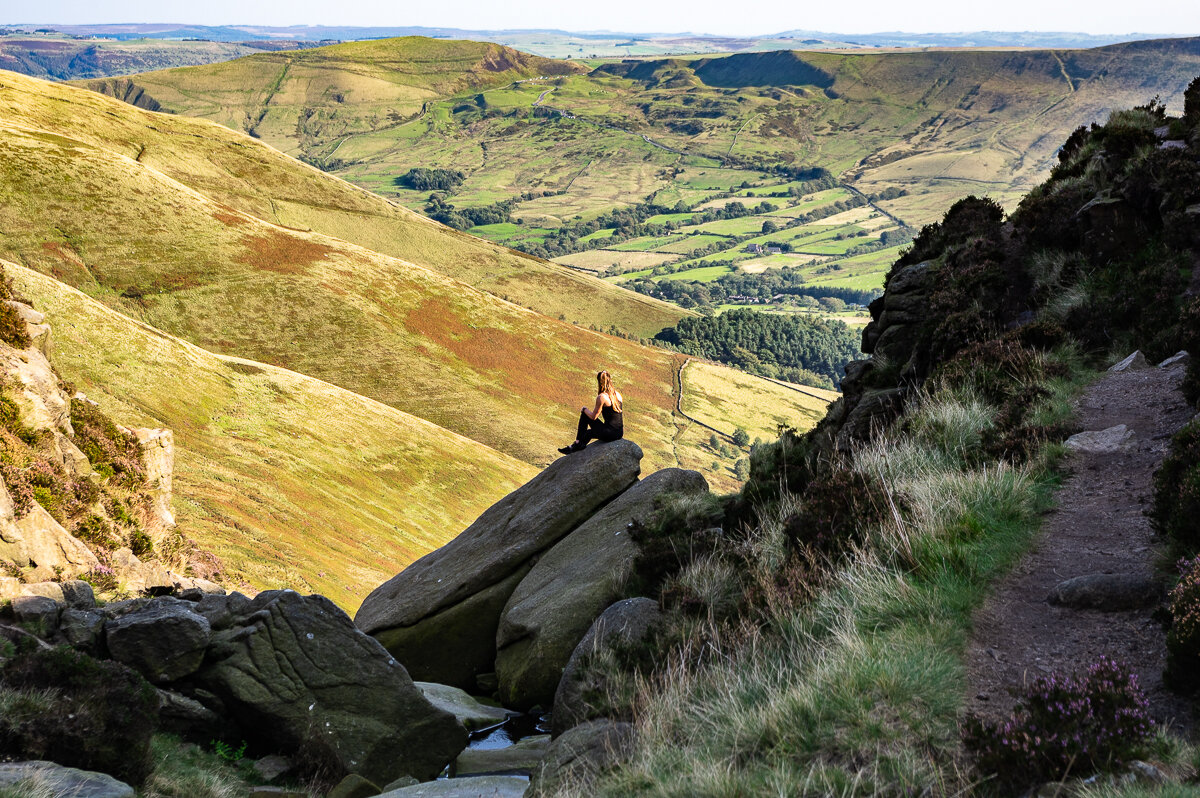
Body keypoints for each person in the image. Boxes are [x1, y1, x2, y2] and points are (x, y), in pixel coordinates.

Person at [558, 370, 624, 454]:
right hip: (619, 432)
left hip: (610, 433)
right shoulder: (618, 395)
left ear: (599, 382)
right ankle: (576, 446)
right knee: (589, 433)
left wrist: (584, 409)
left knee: (585, 415)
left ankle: (577, 443)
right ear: (610, 380)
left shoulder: (602, 397)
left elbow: (593, 417)